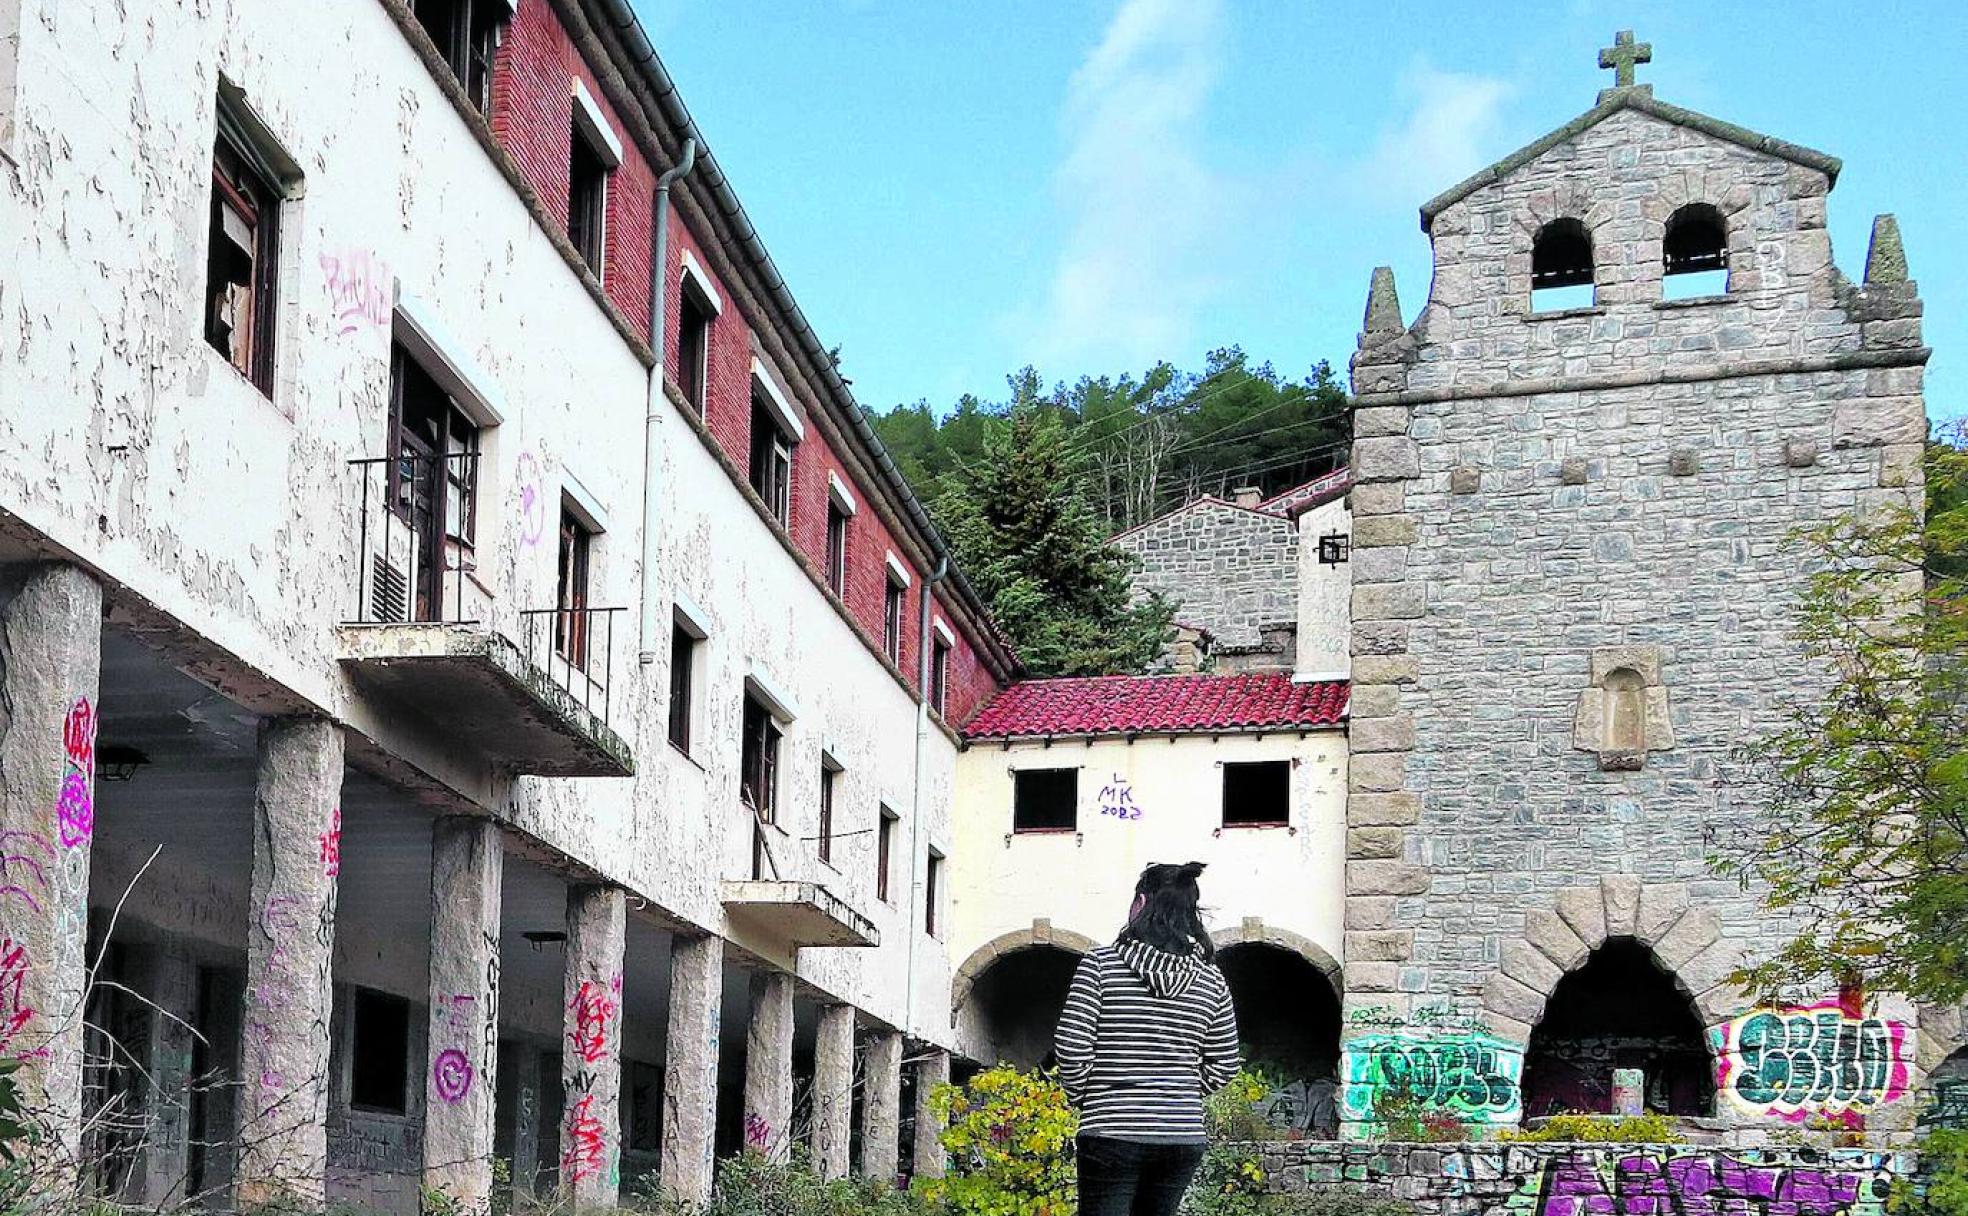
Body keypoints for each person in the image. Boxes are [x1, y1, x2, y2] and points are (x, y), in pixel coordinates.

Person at [1054, 861, 1240, 1216]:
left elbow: (1072, 1045)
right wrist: (1180, 1090)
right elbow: (1225, 1062)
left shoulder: (1100, 965)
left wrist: (1089, 1096)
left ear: (1140, 903)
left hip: (1110, 1129)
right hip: (1181, 1134)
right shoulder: (1211, 980)